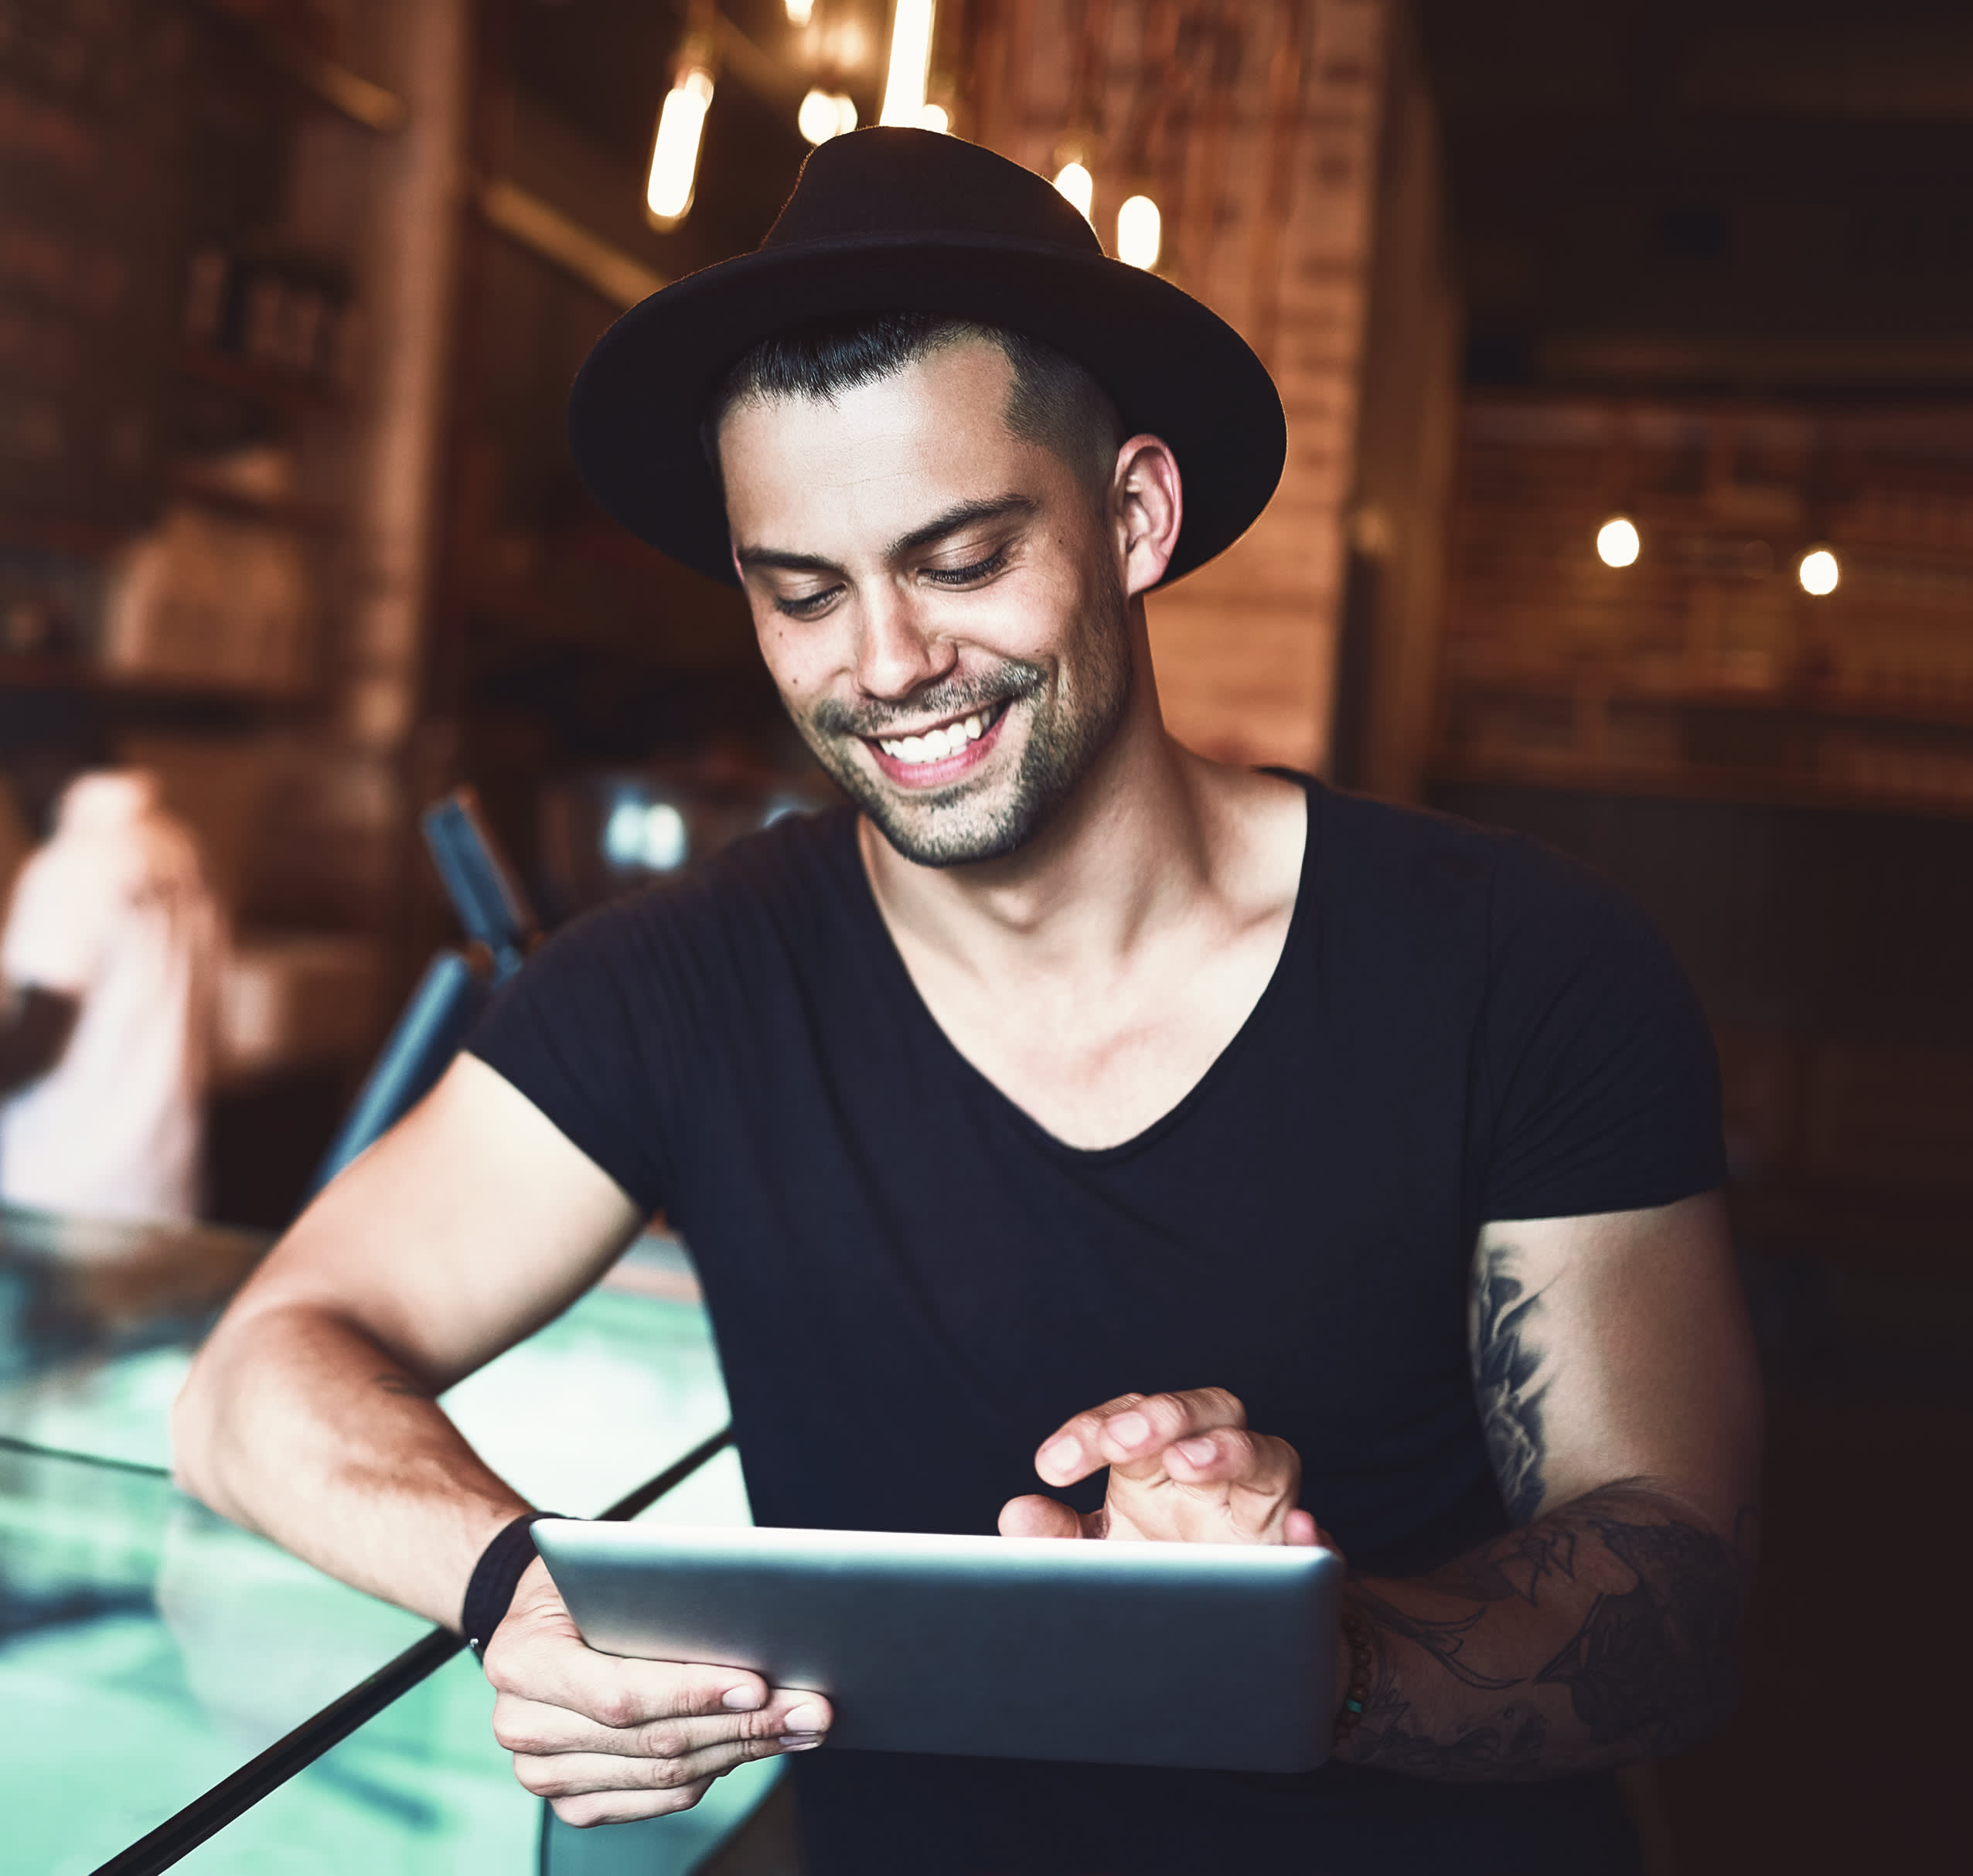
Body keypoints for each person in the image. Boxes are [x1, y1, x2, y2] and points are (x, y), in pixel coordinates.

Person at [169, 130, 1759, 1874]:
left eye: (959, 557)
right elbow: (256, 1376)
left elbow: (1673, 1580)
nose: (885, 665)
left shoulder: (1518, 962)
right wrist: (519, 1594)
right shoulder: (687, 982)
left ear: (1132, 515)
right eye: (802, 593)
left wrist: (1299, 1656)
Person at [0, 692, 223, 1224]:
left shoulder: (70, 863)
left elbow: (34, 1041)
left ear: (46, 764)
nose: (12, 802)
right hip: (160, 1189)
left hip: (65, 1203)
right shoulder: (175, 846)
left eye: (12, 778)